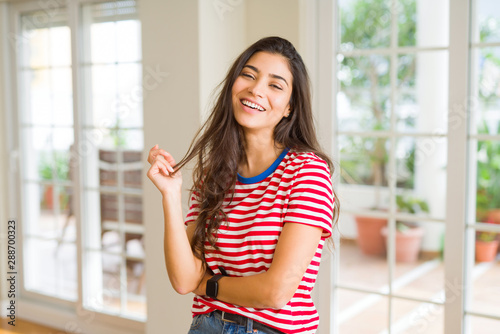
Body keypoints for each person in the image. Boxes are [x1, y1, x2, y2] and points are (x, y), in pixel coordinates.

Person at [147, 36, 338, 334]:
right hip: (204, 327)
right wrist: (170, 196)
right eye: (248, 75)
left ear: (289, 107)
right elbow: (184, 280)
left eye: (275, 85)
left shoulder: (306, 172)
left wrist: (207, 284)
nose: (256, 89)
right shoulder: (215, 175)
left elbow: (276, 292)